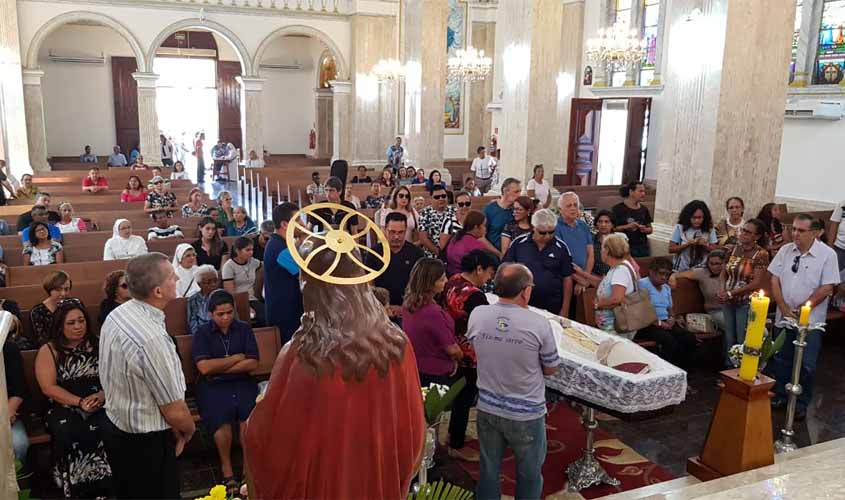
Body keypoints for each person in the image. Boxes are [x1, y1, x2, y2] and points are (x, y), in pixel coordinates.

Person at [243, 230, 425, 500]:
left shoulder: (303, 352)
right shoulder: (397, 344)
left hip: (323, 486)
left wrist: (256, 414)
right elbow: (413, 434)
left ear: (310, 285)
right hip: (377, 481)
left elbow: (273, 441)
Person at [100, 253, 195, 499]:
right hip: (145, 443)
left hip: (116, 425)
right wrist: (189, 429)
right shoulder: (152, 339)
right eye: (171, 276)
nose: (176, 277)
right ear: (158, 292)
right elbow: (175, 409)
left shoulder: (118, 314)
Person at [468, 263, 560, 499]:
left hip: (488, 406)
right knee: (529, 474)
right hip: (525, 412)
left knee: (488, 470)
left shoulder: (478, 314)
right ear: (525, 290)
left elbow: (476, 349)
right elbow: (551, 369)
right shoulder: (538, 323)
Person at [35, 300, 112, 498]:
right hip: (63, 404)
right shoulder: (50, 350)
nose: (78, 326)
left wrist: (101, 396)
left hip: (100, 400)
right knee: (68, 429)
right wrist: (79, 402)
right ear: (60, 325)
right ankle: (76, 488)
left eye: (81, 321)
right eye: (71, 323)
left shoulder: (99, 344)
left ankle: (108, 484)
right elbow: (48, 387)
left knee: (109, 425)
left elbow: (114, 377)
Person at [769, 213, 840, 419]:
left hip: (810, 322)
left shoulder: (827, 255)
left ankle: (800, 403)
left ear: (816, 233)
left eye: (801, 230)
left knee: (806, 365)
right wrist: (782, 305)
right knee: (782, 359)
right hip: (785, 317)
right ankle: (781, 394)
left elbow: (827, 287)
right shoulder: (785, 250)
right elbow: (774, 279)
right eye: (794, 229)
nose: (795, 234)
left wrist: (803, 308)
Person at [192, 289, 259, 492]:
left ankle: (249, 470)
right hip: (213, 384)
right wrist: (235, 358)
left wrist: (220, 365)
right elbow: (203, 368)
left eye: (229, 312)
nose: (226, 317)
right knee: (221, 418)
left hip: (241, 381)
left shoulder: (243, 329)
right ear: (211, 313)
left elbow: (253, 363)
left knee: (248, 417)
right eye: (220, 314)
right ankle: (227, 469)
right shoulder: (202, 333)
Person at [441, 250, 498, 461]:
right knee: (465, 397)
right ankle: (456, 442)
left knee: (459, 395)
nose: (490, 278)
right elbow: (485, 325)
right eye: (489, 272)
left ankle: (453, 434)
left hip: (451, 342)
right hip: (468, 352)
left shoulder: (453, 280)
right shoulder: (475, 295)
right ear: (479, 268)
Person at [717, 219, 770, 367]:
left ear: (757, 236)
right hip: (727, 300)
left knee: (741, 337)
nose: (743, 234)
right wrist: (722, 290)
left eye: (748, 232)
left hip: (744, 302)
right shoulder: (733, 249)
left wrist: (732, 293)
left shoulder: (761, 254)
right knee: (729, 337)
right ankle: (728, 370)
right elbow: (723, 273)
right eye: (743, 230)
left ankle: (741, 370)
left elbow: (756, 283)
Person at [503, 209, 574, 316]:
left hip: (552, 305)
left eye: (551, 232)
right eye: (542, 232)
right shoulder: (518, 244)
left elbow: (567, 278)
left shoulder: (562, 247)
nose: (547, 236)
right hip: (522, 304)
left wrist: (565, 308)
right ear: (533, 228)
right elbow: (505, 270)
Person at [402, 258, 462, 380]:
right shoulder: (433, 313)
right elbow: (452, 350)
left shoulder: (408, 305)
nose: (446, 281)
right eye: (441, 279)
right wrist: (460, 357)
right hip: (436, 374)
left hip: (414, 367)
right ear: (429, 283)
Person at [636, 257, 699, 370]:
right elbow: (641, 309)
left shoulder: (666, 287)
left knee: (689, 338)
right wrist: (659, 323)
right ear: (651, 272)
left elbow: (670, 307)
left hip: (665, 322)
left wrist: (672, 317)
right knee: (669, 342)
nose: (664, 277)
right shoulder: (642, 284)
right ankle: (669, 371)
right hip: (648, 324)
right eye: (661, 274)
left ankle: (685, 372)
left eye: (667, 275)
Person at [367, 212, 425, 316]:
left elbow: (421, 285)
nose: (396, 236)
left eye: (400, 232)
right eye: (392, 232)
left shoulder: (417, 253)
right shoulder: (374, 253)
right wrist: (383, 306)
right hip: (380, 310)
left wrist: (406, 308)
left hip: (409, 309)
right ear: (384, 230)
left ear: (406, 231)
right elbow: (369, 285)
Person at [263, 203, 304, 344]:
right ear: (285, 224)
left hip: (290, 310)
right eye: (298, 220)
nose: (303, 224)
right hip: (285, 314)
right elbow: (304, 274)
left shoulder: (281, 244)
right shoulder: (279, 249)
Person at [670, 250, 726, 337]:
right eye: (712, 263)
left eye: (718, 264)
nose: (714, 267)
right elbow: (678, 274)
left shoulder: (731, 274)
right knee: (730, 326)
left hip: (732, 309)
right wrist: (673, 277)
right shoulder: (702, 273)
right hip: (715, 310)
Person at [593, 234, 639, 338]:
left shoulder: (620, 270)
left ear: (608, 250)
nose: (600, 252)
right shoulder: (617, 267)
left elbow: (617, 299)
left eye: (602, 249)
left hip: (616, 328)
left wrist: (598, 304)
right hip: (610, 326)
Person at [223, 236, 265, 326]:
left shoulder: (253, 262)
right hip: (237, 300)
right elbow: (230, 292)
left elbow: (264, 265)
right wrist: (247, 307)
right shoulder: (229, 266)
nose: (251, 252)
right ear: (238, 251)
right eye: (248, 250)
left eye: (252, 250)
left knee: (266, 315)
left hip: (252, 298)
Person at [446, 210, 500, 276]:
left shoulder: (454, 239)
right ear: (476, 227)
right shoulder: (477, 246)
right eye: (484, 226)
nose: (485, 229)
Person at [669, 200, 718, 271]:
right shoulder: (679, 228)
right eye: (693, 217)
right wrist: (688, 244)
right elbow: (671, 249)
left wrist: (705, 245)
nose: (696, 220)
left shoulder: (709, 230)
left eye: (699, 218)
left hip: (702, 269)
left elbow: (715, 249)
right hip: (681, 268)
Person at [28, 271, 73, 348]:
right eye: (58, 289)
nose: (63, 293)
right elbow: (42, 340)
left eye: (66, 289)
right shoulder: (37, 311)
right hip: (50, 350)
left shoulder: (74, 304)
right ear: (50, 290)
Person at [611, 181, 653, 258]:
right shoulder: (618, 209)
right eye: (640, 191)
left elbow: (650, 229)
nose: (643, 194)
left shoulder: (644, 209)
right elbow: (612, 229)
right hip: (624, 246)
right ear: (631, 192)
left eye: (644, 191)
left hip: (642, 247)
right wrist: (627, 227)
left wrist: (645, 229)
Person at [5, 339, 29, 465]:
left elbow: (18, 389)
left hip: (6, 413)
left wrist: (6, 417)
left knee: (18, 443)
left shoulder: (8, 348)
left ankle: (14, 482)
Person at [483, 178, 520, 250]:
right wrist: (498, 254)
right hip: (493, 252)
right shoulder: (490, 209)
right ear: (505, 191)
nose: (519, 195)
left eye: (519, 191)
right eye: (516, 192)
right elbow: (481, 237)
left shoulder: (518, 210)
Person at [418, 185, 455, 258]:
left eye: (443, 196)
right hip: (432, 256)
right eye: (437, 197)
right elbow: (423, 238)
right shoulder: (425, 213)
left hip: (452, 255)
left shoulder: (454, 212)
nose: (441, 199)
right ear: (431, 199)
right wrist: (439, 253)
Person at [187, 265, 219, 334]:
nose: (213, 284)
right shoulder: (193, 300)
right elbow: (193, 324)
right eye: (209, 282)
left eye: (215, 281)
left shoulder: (224, 296)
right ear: (199, 284)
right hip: (203, 335)